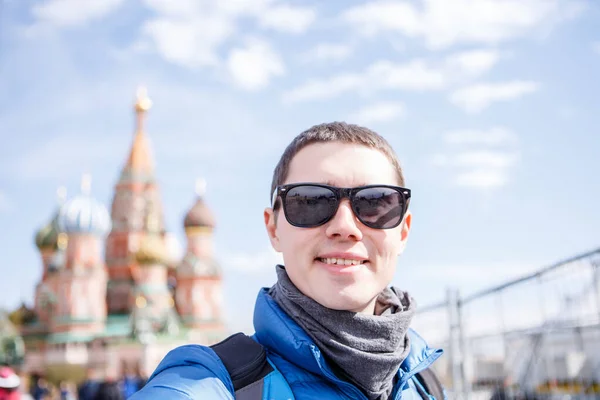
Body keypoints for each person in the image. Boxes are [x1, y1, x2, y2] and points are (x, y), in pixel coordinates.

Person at [131, 122, 445, 399]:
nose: (345, 227)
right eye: (310, 201)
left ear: (402, 232)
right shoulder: (211, 383)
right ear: (273, 229)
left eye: (376, 202)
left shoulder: (424, 382)